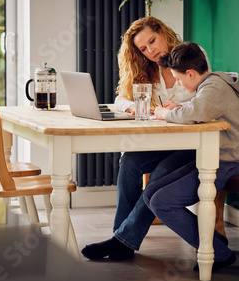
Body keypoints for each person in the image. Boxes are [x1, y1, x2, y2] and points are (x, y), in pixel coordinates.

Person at [81, 17, 210, 261]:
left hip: (194, 143)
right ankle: (122, 239)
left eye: (152, 41)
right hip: (165, 142)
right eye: (143, 48)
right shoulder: (146, 68)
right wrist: (133, 107)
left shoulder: (192, 54)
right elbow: (120, 99)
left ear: (163, 33)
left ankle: (119, 241)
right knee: (129, 162)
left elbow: (207, 96)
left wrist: (180, 105)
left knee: (160, 173)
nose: (150, 51)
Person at [143, 42, 239, 271]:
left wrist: (165, 113)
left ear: (191, 73)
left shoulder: (213, 87)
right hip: (217, 158)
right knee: (150, 193)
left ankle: (219, 253)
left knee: (161, 202)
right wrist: (179, 106)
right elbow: (197, 106)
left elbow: (195, 112)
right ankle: (212, 241)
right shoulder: (211, 83)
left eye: (178, 79)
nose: (178, 84)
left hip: (233, 161)